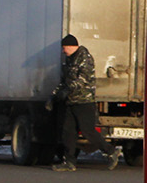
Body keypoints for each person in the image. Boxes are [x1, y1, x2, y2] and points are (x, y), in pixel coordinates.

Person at [50, 34, 119, 171]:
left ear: (71, 46)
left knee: (88, 132)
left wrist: (67, 90)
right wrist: (54, 96)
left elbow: (82, 80)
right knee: (68, 132)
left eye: (64, 48)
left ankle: (111, 152)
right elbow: (64, 81)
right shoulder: (69, 60)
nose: (63, 51)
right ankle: (69, 162)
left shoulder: (85, 59)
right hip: (71, 101)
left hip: (84, 102)